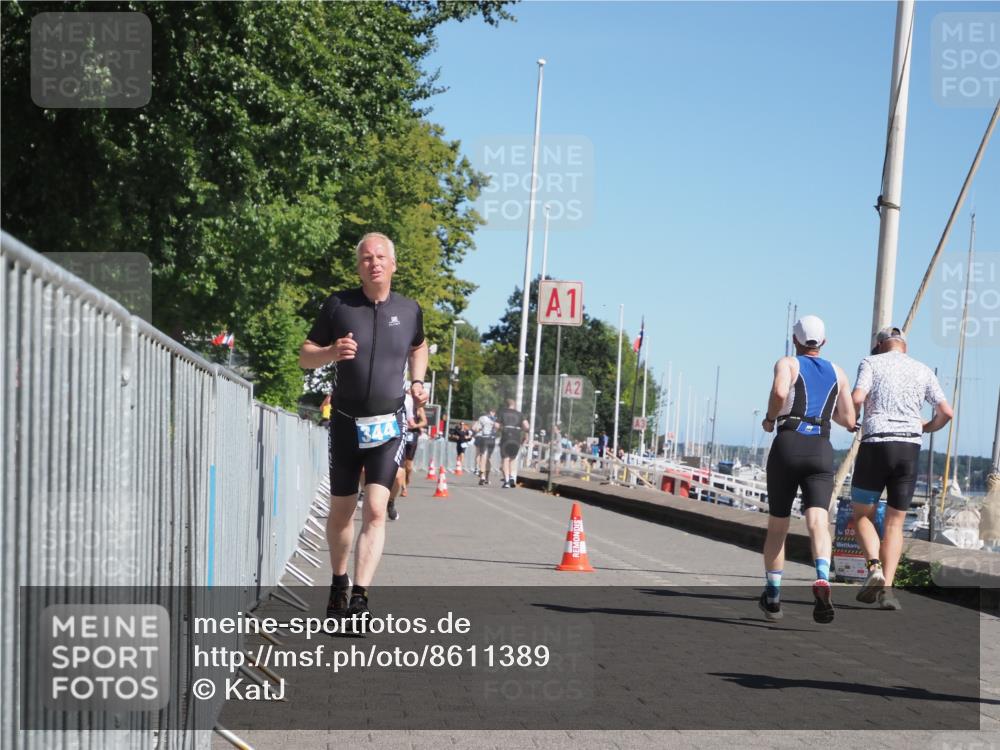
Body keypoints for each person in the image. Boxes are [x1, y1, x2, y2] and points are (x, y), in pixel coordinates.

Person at [298, 232, 428, 623]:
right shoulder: (339, 305)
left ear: (393, 264)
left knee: (374, 508)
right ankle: (338, 582)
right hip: (345, 423)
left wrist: (417, 381)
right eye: (366, 258)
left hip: (388, 425)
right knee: (341, 511)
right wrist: (330, 352)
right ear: (359, 267)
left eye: (380, 257)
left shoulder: (409, 310)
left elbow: (418, 346)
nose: (374, 263)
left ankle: (360, 597)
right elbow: (305, 357)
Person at [758, 315, 856, 624]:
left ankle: (773, 594)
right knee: (818, 520)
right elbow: (849, 419)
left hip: (788, 442)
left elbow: (778, 393)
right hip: (821, 449)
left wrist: (770, 419)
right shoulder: (838, 372)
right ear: (823, 342)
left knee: (779, 525)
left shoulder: (787, 363)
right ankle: (823, 576)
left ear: (795, 340)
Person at [850, 325, 953, 610]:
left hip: (876, 444)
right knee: (895, 525)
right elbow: (946, 412)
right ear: (903, 346)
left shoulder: (871, 363)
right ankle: (888, 593)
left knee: (861, 516)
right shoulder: (922, 370)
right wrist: (926, 428)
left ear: (881, 345)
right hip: (909, 448)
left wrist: (852, 419)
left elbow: (857, 397)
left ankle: (873, 567)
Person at [387, 387, 427, 520]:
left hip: (410, 436)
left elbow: (423, 422)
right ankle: (365, 494)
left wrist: (414, 426)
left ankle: (394, 496)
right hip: (387, 434)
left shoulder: (414, 405)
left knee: (407, 468)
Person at [497, 399, 529, 488]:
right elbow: (527, 426)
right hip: (516, 438)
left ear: (506, 405)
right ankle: (512, 478)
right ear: (514, 405)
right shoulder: (520, 414)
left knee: (505, 459)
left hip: (506, 437)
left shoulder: (502, 413)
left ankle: (506, 481)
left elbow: (496, 425)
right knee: (513, 459)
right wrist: (524, 434)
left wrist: (501, 429)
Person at [472, 408, 497, 485]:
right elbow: (498, 429)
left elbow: (475, 428)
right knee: (488, 458)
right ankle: (486, 478)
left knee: (483, 456)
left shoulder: (482, 418)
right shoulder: (496, 419)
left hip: (485, 438)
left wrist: (478, 430)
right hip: (492, 440)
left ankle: (482, 475)